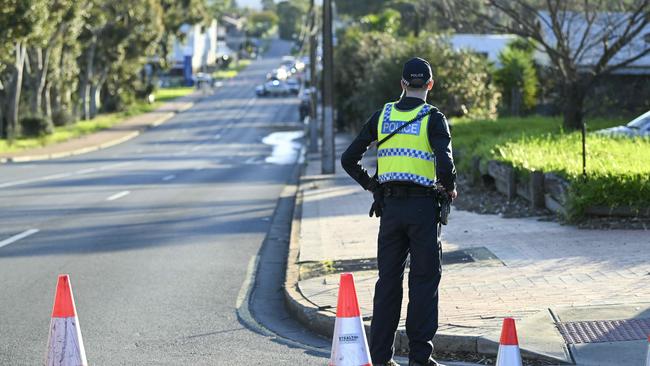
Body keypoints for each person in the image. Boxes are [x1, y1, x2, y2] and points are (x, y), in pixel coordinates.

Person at [340, 57, 457, 366]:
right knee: (423, 282)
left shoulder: (383, 116)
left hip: (390, 210)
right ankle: (419, 359)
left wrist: (373, 187)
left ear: (402, 84)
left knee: (387, 283)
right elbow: (445, 165)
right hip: (422, 210)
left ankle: (380, 359)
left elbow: (349, 158)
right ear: (430, 84)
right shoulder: (433, 118)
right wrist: (450, 187)